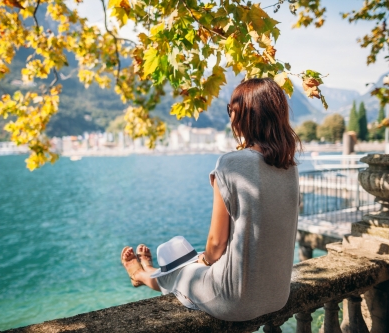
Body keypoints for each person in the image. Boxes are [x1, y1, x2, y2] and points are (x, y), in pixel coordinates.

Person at [121, 77, 300, 321]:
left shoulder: (232, 163)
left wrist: (205, 261)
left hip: (235, 300)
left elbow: (217, 244)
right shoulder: (290, 168)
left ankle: (142, 275)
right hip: (278, 295)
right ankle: (153, 271)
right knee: (192, 263)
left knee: (182, 272)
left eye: (231, 109)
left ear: (244, 115)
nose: (230, 116)